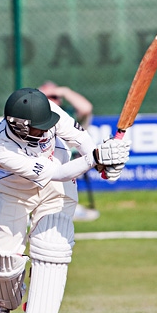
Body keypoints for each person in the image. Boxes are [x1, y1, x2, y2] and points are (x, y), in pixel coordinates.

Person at [0, 88, 131, 313]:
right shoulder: (2, 148)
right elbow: (59, 172)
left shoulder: (48, 110)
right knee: (5, 258)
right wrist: (95, 159)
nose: (45, 130)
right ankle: (2, 302)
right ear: (19, 127)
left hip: (56, 184)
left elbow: (81, 139)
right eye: (39, 128)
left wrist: (103, 161)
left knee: (53, 246)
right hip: (16, 188)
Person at [38, 81, 99, 221]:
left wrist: (65, 91)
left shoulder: (68, 115)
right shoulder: (32, 117)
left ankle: (63, 204)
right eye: (46, 96)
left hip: (67, 159)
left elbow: (86, 108)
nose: (51, 100)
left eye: (54, 96)